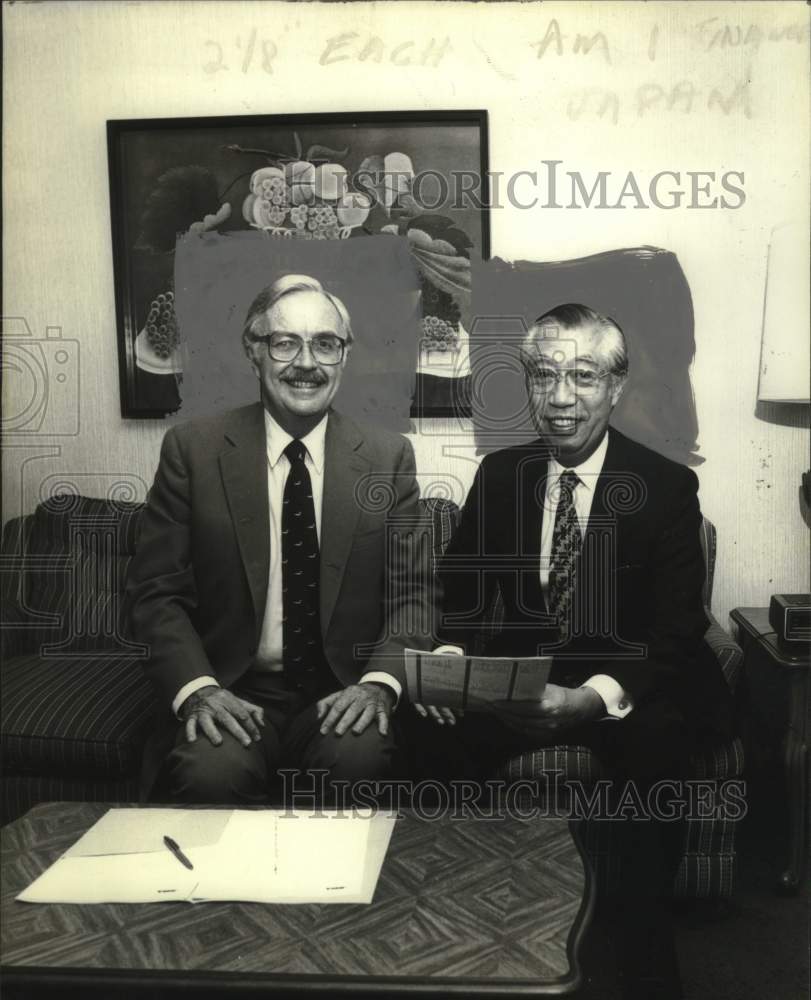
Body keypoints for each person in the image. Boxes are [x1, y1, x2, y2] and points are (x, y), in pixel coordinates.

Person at [423, 303, 733, 999]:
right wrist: (448, 658)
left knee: (659, 742)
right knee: (425, 730)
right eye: (543, 376)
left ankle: (644, 956)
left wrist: (588, 699)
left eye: (583, 376)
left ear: (615, 386)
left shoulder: (664, 486)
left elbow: (674, 632)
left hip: (626, 685)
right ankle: (453, 929)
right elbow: (461, 599)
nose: (560, 398)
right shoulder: (500, 475)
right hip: (523, 680)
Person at [127, 274, 436, 805]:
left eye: (325, 343)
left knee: (359, 763)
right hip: (234, 690)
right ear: (254, 350)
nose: (306, 363)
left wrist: (378, 685)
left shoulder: (388, 459)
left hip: (343, 691)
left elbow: (413, 598)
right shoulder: (192, 451)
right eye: (285, 342)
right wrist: (199, 691)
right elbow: (156, 594)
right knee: (209, 773)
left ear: (345, 355)